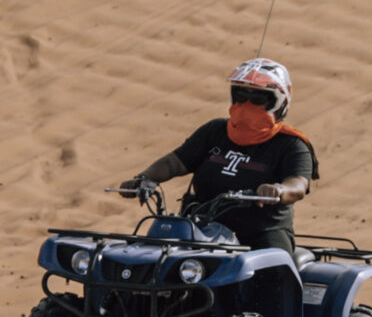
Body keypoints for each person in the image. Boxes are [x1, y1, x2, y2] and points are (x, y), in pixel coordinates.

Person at [119, 58, 317, 255]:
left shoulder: (292, 144)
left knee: (273, 272)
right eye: (240, 96)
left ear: (279, 101)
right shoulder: (215, 131)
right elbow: (175, 161)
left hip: (261, 233)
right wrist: (144, 178)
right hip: (201, 227)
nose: (247, 105)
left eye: (258, 98)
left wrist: (279, 190)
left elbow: (298, 185)